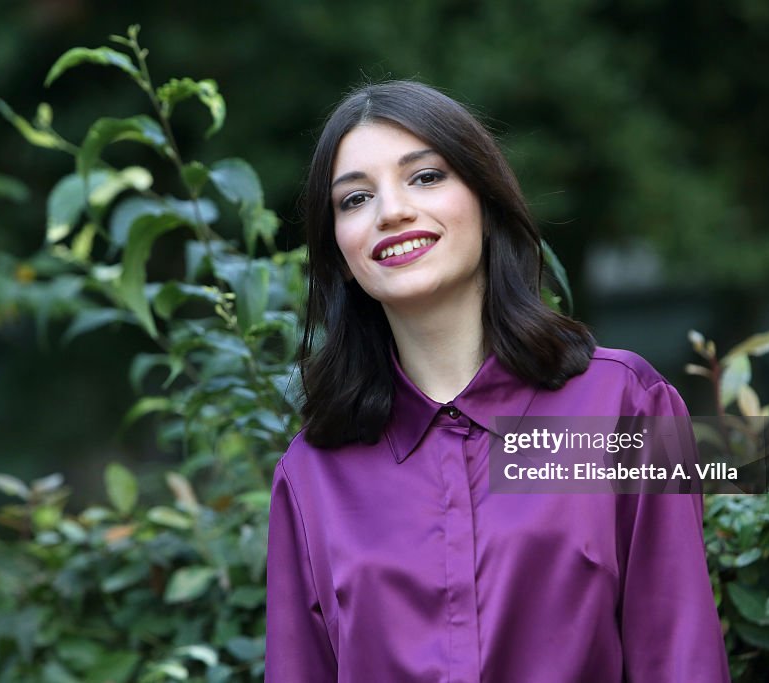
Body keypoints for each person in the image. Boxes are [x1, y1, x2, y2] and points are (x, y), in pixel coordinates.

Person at [265, 80, 730, 682]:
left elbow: (679, 657)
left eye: (426, 177)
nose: (392, 211)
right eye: (354, 199)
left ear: (485, 202)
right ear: (339, 251)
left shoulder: (624, 406)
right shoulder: (310, 476)